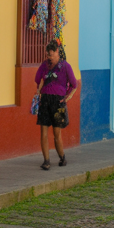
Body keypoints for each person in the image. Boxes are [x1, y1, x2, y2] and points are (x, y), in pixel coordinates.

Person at [33, 41, 78, 170]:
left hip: (58, 102)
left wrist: (66, 97)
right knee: (43, 132)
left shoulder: (66, 67)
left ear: (58, 53)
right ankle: (46, 161)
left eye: (52, 55)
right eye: (48, 55)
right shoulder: (44, 65)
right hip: (45, 101)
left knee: (57, 133)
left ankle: (62, 157)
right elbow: (37, 79)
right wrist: (40, 90)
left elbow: (74, 84)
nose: (50, 57)